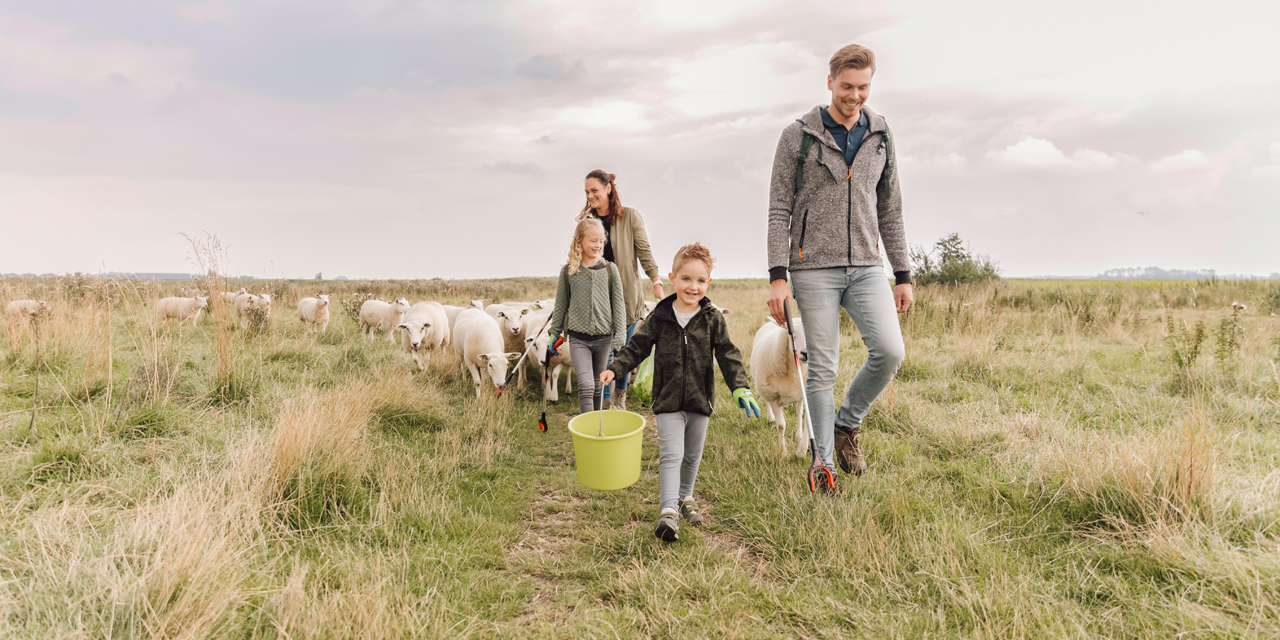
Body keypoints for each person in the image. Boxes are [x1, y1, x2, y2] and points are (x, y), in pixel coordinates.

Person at [764, 43, 914, 489]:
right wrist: (778, 276)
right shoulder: (798, 136)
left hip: (869, 265)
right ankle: (823, 461)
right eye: (847, 86)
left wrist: (902, 273)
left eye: (863, 87)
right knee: (823, 367)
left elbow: (891, 208)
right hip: (813, 269)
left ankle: (846, 424)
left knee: (890, 351)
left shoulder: (882, 135)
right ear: (830, 82)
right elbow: (778, 209)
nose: (855, 96)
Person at [601, 242, 761, 542]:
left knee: (692, 456)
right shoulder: (660, 317)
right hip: (668, 399)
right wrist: (615, 368)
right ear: (672, 278)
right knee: (672, 454)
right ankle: (667, 511)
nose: (693, 286)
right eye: (686, 279)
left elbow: (728, 354)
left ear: (709, 282)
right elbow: (637, 347)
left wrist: (740, 388)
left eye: (701, 280)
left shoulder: (713, 318)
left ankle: (685, 498)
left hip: (701, 399)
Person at [578, 169, 664, 411]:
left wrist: (656, 281)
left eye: (594, 190)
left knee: (624, 351)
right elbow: (578, 255)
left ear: (608, 188)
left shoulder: (630, 217)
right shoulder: (588, 224)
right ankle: (605, 400)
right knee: (603, 351)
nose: (590, 196)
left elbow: (644, 252)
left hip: (625, 297)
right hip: (596, 297)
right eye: (586, 192)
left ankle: (620, 396)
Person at [548, 217, 627, 415]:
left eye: (601, 241)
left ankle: (596, 427)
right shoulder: (568, 272)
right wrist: (554, 333)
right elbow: (561, 305)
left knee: (598, 385)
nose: (598, 245)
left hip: (603, 339)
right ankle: (587, 429)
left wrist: (619, 337)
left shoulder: (610, 270)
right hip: (578, 339)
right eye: (593, 240)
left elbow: (618, 305)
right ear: (579, 241)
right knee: (585, 385)